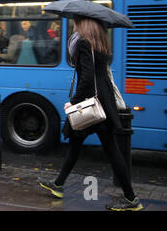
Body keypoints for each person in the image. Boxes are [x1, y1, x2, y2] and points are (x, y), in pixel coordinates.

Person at [37, 15, 143, 211]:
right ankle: (59, 184)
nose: (74, 25)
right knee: (96, 147)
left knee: (98, 148)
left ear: (83, 24)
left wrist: (73, 104)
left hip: (92, 104)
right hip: (105, 102)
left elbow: (86, 80)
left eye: (76, 22)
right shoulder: (100, 43)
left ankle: (131, 199)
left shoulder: (84, 44)